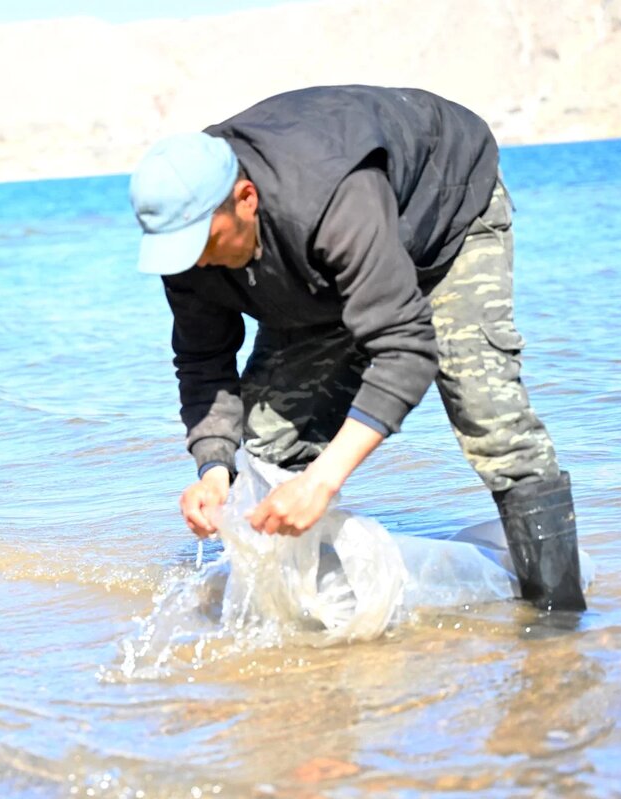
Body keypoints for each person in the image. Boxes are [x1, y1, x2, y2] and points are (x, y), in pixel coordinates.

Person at [128, 85, 586, 612]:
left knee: (490, 418)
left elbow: (405, 348)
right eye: (179, 251)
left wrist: (322, 481)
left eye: (205, 243)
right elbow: (203, 361)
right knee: (270, 446)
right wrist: (214, 472)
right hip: (326, 265)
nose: (195, 261)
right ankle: (302, 626)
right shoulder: (185, 246)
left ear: (246, 199)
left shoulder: (331, 199)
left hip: (446, 219)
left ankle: (559, 622)